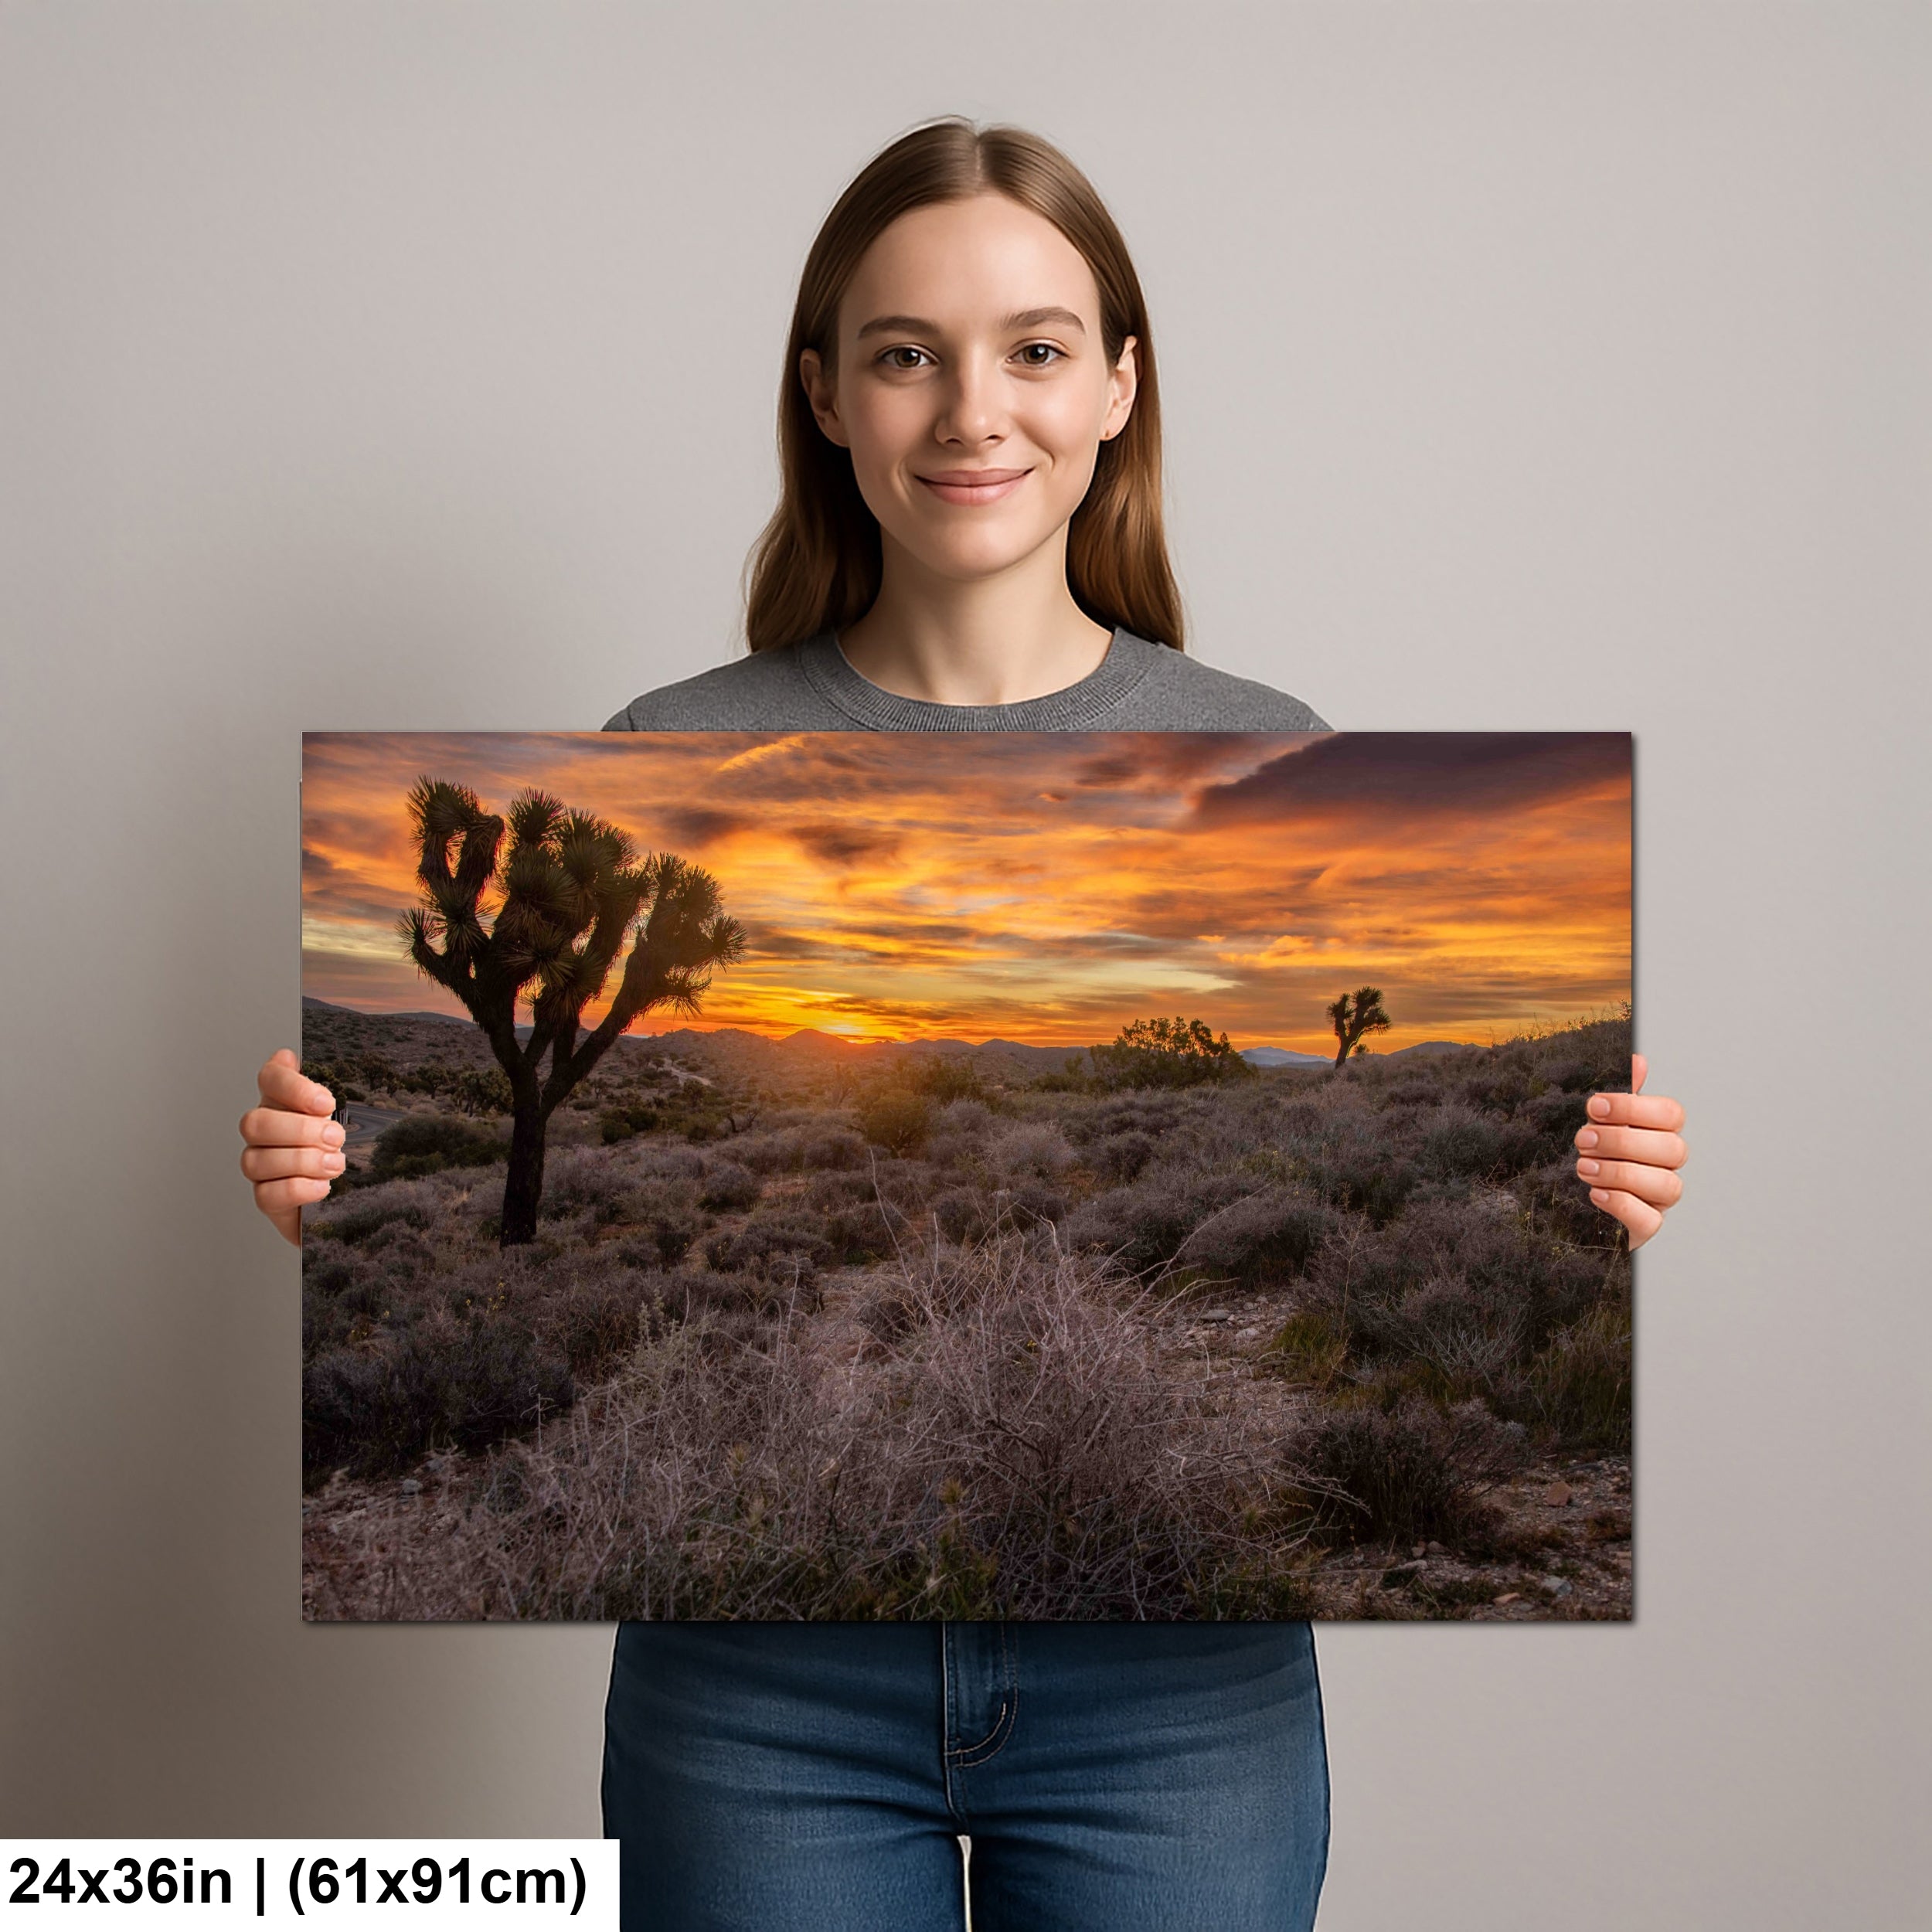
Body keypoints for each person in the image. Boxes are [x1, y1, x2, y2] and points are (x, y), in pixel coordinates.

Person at [240, 117, 1689, 1932]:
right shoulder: (667, 740)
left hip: (1182, 1690)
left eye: (1033, 346)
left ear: (1115, 388)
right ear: (826, 395)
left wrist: (1602, 1178)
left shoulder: (1270, 724)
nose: (970, 408)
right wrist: (331, 1181)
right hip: (753, 1690)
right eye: (905, 351)